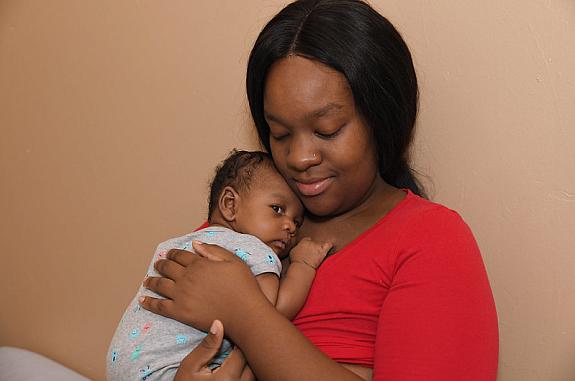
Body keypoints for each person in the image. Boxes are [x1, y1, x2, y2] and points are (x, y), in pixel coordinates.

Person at [138, 0, 499, 380]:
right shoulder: (252, 220)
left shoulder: (432, 239)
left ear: (382, 119)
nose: (300, 157)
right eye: (279, 134)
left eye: (326, 130)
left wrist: (245, 313)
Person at [107, 150, 332, 381]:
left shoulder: (181, 242)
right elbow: (271, 314)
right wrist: (303, 265)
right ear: (230, 204)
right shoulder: (252, 247)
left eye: (297, 221)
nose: (290, 227)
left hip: (124, 362)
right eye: (277, 209)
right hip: (168, 371)